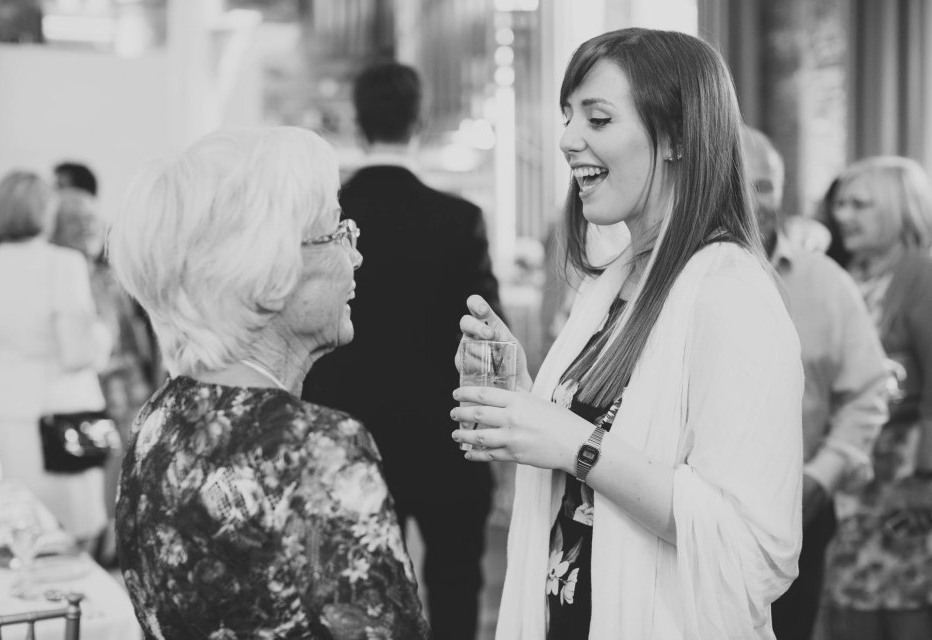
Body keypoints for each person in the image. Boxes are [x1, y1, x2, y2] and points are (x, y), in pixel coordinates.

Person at [451, 28, 804, 639]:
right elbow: (609, 454)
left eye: (598, 118)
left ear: (676, 137)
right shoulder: (619, 283)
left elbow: (755, 549)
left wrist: (575, 443)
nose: (568, 139)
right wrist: (529, 401)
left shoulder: (729, 291)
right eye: (568, 116)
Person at [108, 127, 430, 639]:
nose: (355, 256)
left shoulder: (158, 419)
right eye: (337, 233)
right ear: (269, 273)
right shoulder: (315, 451)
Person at [302, 61, 502, 640]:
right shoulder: (459, 219)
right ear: (419, 120)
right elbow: (486, 333)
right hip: (442, 438)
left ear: (358, 121)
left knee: (348, 597)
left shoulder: (328, 216)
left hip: (344, 440)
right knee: (455, 585)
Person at [741, 126, 890, 640]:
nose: (753, 200)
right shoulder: (675, 280)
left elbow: (869, 389)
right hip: (686, 514)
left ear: (782, 190)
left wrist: (823, 477)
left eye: (764, 186)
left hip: (801, 511)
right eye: (739, 182)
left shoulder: (827, 283)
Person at [824, 156, 932, 640]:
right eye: (841, 204)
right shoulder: (848, 273)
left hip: (905, 472)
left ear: (897, 208)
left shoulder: (922, 275)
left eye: (860, 205)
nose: (843, 215)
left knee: (903, 601)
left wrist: (924, 482)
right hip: (853, 468)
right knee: (852, 601)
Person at [0, 171, 111, 545]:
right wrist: (103, 334)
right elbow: (77, 353)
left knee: (26, 522)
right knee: (76, 528)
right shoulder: (63, 263)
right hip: (64, 409)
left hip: (8, 408)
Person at [50, 188, 156, 564]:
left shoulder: (107, 273)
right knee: (99, 466)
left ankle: (118, 535)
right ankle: (102, 537)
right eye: (74, 221)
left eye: (90, 219)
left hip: (129, 384)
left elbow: (133, 329)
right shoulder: (60, 273)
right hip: (89, 389)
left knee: (131, 460)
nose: (86, 227)